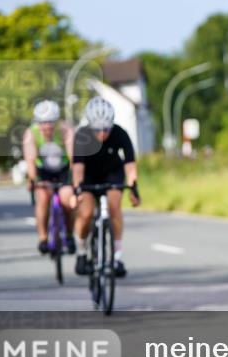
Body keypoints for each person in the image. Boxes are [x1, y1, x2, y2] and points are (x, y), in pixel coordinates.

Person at [70, 97, 140, 277]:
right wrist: (76, 190)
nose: (102, 133)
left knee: (114, 206)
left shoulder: (120, 133)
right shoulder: (82, 136)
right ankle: (81, 252)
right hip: (88, 174)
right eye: (98, 129)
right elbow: (77, 168)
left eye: (106, 129)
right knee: (85, 213)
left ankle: (116, 258)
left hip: (112, 172)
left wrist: (133, 188)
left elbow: (130, 165)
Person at [23, 100, 76, 254]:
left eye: (51, 123)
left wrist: (73, 180)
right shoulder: (31, 133)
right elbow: (30, 161)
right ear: (37, 123)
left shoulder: (65, 130)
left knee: (67, 199)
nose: (47, 127)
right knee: (43, 197)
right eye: (43, 123)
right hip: (43, 171)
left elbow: (74, 158)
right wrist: (33, 180)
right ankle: (43, 237)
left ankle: (69, 234)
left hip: (63, 170)